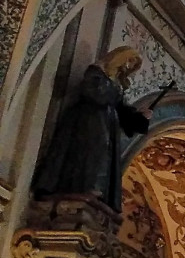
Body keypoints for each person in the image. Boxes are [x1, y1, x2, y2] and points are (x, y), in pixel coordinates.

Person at [31, 46, 152, 213]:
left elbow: (121, 109)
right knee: (94, 149)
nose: (127, 66)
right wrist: (114, 91)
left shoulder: (116, 85)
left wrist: (140, 117)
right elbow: (95, 93)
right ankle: (83, 186)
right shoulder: (96, 72)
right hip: (89, 120)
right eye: (128, 61)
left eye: (131, 64)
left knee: (105, 154)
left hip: (107, 122)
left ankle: (96, 188)